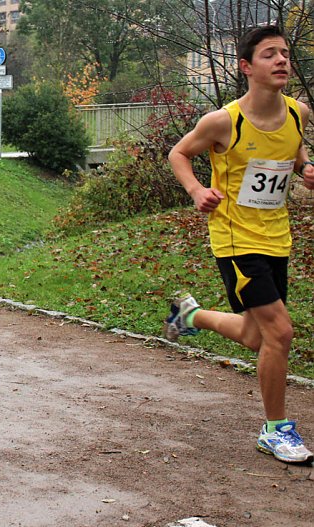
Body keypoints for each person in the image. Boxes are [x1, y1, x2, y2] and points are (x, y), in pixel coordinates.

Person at [166, 25, 314, 464]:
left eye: (285, 53)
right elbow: (178, 153)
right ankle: (275, 429)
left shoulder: (298, 113)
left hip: (277, 237)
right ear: (247, 67)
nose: (282, 60)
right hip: (235, 239)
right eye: (270, 54)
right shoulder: (222, 121)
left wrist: (307, 170)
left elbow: (294, 155)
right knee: (281, 332)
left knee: (257, 335)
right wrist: (196, 191)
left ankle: (189, 315)